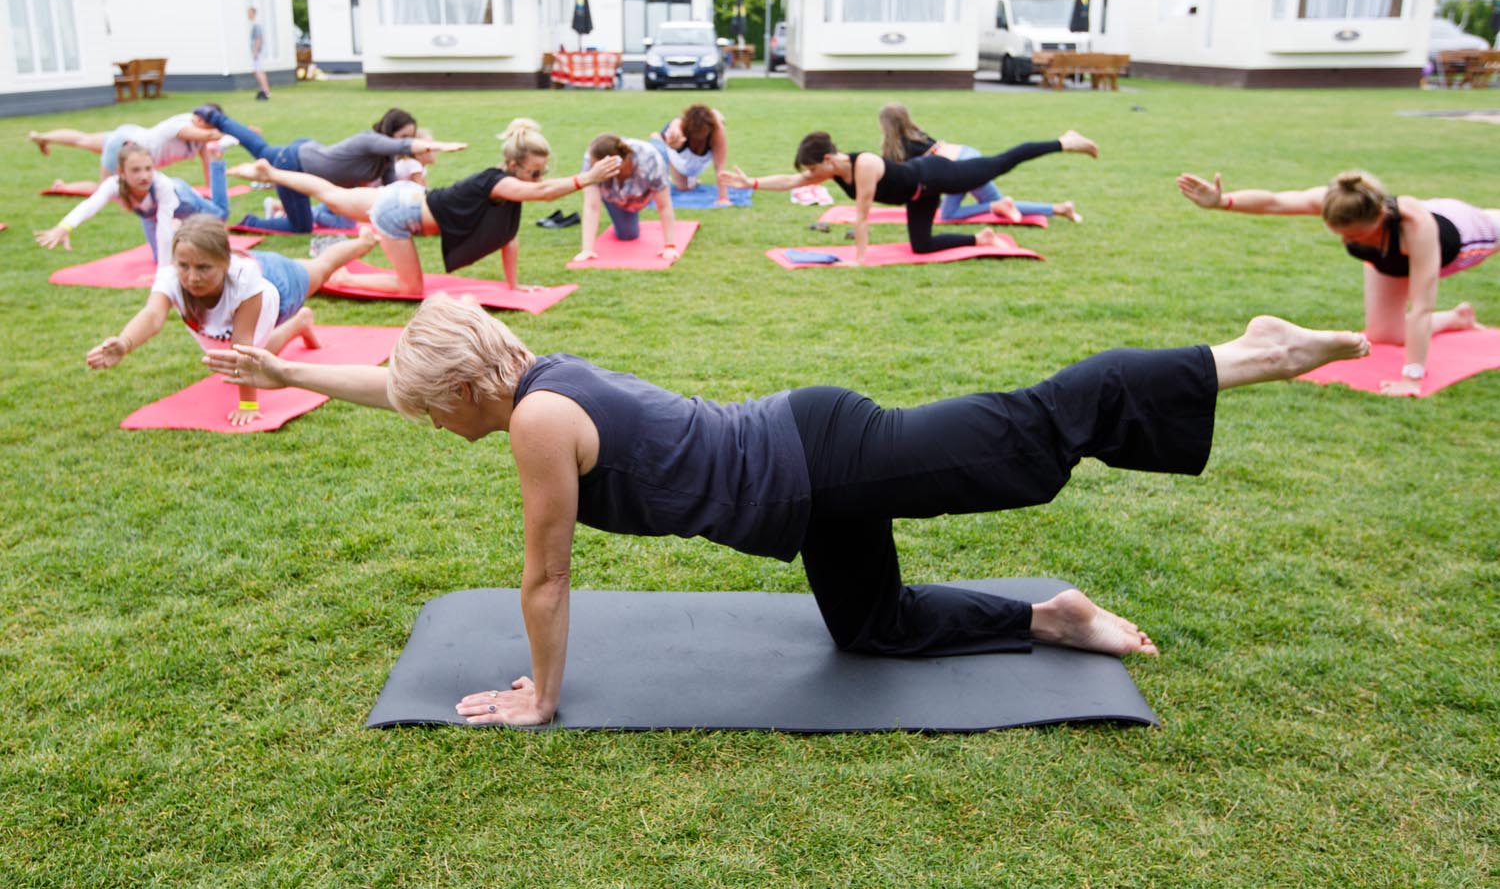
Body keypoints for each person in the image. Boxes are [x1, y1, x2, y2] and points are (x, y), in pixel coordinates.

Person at [205, 293, 1370, 724]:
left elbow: (545, 576)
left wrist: (542, 695)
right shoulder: (525, 375)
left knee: (1027, 438)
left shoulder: (537, 425)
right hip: (805, 492)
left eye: (428, 412)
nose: (423, 423)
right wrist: (292, 372)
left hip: (825, 457)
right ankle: (1049, 618)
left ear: (470, 390)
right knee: (872, 625)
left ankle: (1241, 355)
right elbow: (398, 381)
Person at [1176, 169, 1497, 396]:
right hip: (1387, 258)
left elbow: (1421, 307)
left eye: (1356, 235)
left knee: (1415, 319)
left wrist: (1413, 378)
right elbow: (1274, 201)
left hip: (1469, 236)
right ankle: (1458, 319)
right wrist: (1223, 202)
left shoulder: (1416, 227)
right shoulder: (1339, 200)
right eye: (1341, 234)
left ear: (1380, 218)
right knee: (1386, 335)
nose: (1348, 240)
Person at [229, 118, 621, 295]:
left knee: (331, 194)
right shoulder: (498, 182)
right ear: (515, 165)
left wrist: (515, 287)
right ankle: (341, 274)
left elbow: (509, 239)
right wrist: (585, 178)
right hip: (399, 214)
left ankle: (271, 173)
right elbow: (543, 195)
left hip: (403, 197)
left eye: (542, 172)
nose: (537, 179)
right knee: (411, 287)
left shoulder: (504, 190)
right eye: (534, 172)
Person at [87, 215, 375, 426]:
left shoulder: (242, 279)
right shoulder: (172, 277)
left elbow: (243, 345)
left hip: (280, 287)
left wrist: (248, 403)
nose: (191, 277)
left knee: (321, 268)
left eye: (203, 268)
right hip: (248, 282)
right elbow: (152, 315)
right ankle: (301, 324)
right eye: (184, 266)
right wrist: (124, 344)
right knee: (252, 356)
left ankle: (364, 241)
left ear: (224, 263)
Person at [721, 129, 1099, 265]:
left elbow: (863, 214)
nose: (809, 177)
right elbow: (789, 181)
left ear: (826, 159)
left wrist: (861, 259)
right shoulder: (829, 169)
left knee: (1001, 163)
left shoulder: (863, 165)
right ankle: (979, 237)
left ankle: (1066, 141)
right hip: (920, 196)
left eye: (812, 169)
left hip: (936, 174)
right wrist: (751, 183)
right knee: (921, 246)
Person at [193, 105, 466, 234]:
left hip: (306, 155)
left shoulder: (386, 162)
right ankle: (250, 223)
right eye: (403, 136)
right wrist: (437, 145)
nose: (406, 142)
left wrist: (426, 214)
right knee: (300, 228)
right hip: (295, 163)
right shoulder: (370, 140)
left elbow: (391, 193)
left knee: (260, 148)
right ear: (389, 133)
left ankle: (215, 117)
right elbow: (406, 144)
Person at [878, 103, 1082, 224]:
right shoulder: (916, 134)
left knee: (948, 215)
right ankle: (1060, 208)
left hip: (958, 168)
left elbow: (899, 179)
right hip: (968, 154)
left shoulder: (900, 147)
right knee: (1003, 203)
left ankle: (996, 205)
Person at [34, 141, 231, 263]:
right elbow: (90, 205)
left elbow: (163, 229)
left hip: (181, 201)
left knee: (221, 215)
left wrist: (163, 277)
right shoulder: (113, 184)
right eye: (136, 170)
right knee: (160, 257)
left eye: (148, 168)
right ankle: (178, 226)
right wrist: (65, 227)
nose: (144, 176)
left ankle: (216, 158)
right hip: (150, 214)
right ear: (121, 172)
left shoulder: (161, 185)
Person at [29, 107, 231, 181]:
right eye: (198, 117)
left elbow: (208, 166)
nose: (198, 121)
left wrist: (211, 191)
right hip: (127, 144)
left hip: (131, 134)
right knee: (105, 190)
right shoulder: (183, 125)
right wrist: (231, 132)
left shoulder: (201, 140)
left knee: (83, 139)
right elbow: (204, 135)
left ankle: (43, 137)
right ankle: (63, 186)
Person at [573, 134, 681, 262]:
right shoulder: (591, 159)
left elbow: (664, 206)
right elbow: (592, 206)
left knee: (660, 152)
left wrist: (670, 246)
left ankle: (657, 141)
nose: (596, 169)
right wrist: (587, 249)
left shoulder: (650, 159)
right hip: (618, 195)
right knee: (627, 235)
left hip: (646, 183)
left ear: (613, 163)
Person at [649, 104, 731, 205]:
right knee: (683, 188)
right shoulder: (678, 127)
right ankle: (657, 138)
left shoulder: (717, 131)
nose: (699, 137)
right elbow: (675, 128)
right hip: (676, 153)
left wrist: (723, 198)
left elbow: (720, 167)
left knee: (689, 182)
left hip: (700, 159)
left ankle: (692, 178)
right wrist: (672, 141)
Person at [249, 6, 270, 100]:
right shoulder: (253, 24)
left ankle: (265, 91)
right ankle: (263, 89)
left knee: (259, 71)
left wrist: (255, 52)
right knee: (257, 71)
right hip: (256, 52)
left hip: (257, 52)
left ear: (253, 13)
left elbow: (259, 39)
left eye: (249, 13)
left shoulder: (256, 25)